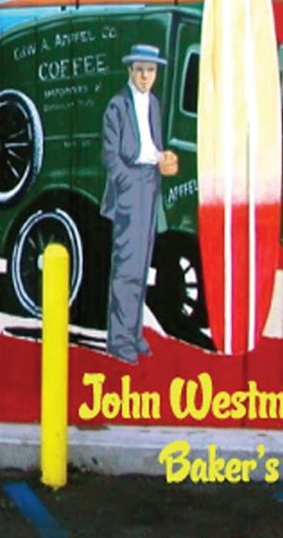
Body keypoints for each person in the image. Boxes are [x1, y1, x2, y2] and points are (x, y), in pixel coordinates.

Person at [100, 44, 178, 365]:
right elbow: (110, 155)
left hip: (150, 182)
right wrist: (126, 181)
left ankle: (133, 334)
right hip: (131, 186)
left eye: (151, 70)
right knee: (127, 267)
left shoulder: (154, 104)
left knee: (143, 264)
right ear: (130, 70)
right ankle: (119, 341)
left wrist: (162, 158)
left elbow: (151, 145)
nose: (146, 76)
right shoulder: (117, 106)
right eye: (141, 70)